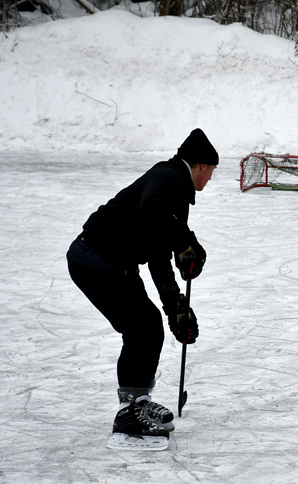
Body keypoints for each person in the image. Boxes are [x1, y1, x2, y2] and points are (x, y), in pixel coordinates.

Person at [67, 128, 218, 441]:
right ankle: (129, 413)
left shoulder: (176, 189)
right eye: (212, 171)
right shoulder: (168, 176)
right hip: (94, 259)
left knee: (150, 323)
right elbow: (152, 210)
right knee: (141, 328)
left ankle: (138, 402)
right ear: (201, 166)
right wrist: (184, 241)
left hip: (114, 263)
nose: (210, 178)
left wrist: (175, 306)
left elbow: (158, 254)